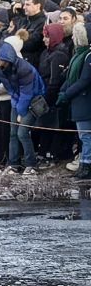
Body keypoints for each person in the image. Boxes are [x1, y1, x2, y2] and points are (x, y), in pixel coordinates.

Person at [0, 40, 45, 173]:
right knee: (13, 133)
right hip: (17, 101)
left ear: (5, 58)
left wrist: (20, 113)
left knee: (22, 133)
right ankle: (14, 164)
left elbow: (27, 94)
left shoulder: (24, 69)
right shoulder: (0, 69)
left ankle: (32, 165)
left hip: (33, 102)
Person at [56, 21, 91, 180]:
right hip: (78, 101)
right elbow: (70, 78)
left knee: (86, 135)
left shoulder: (88, 56)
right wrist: (63, 90)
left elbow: (84, 80)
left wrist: (67, 94)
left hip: (85, 101)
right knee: (83, 135)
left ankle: (87, 166)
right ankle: (84, 164)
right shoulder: (78, 54)